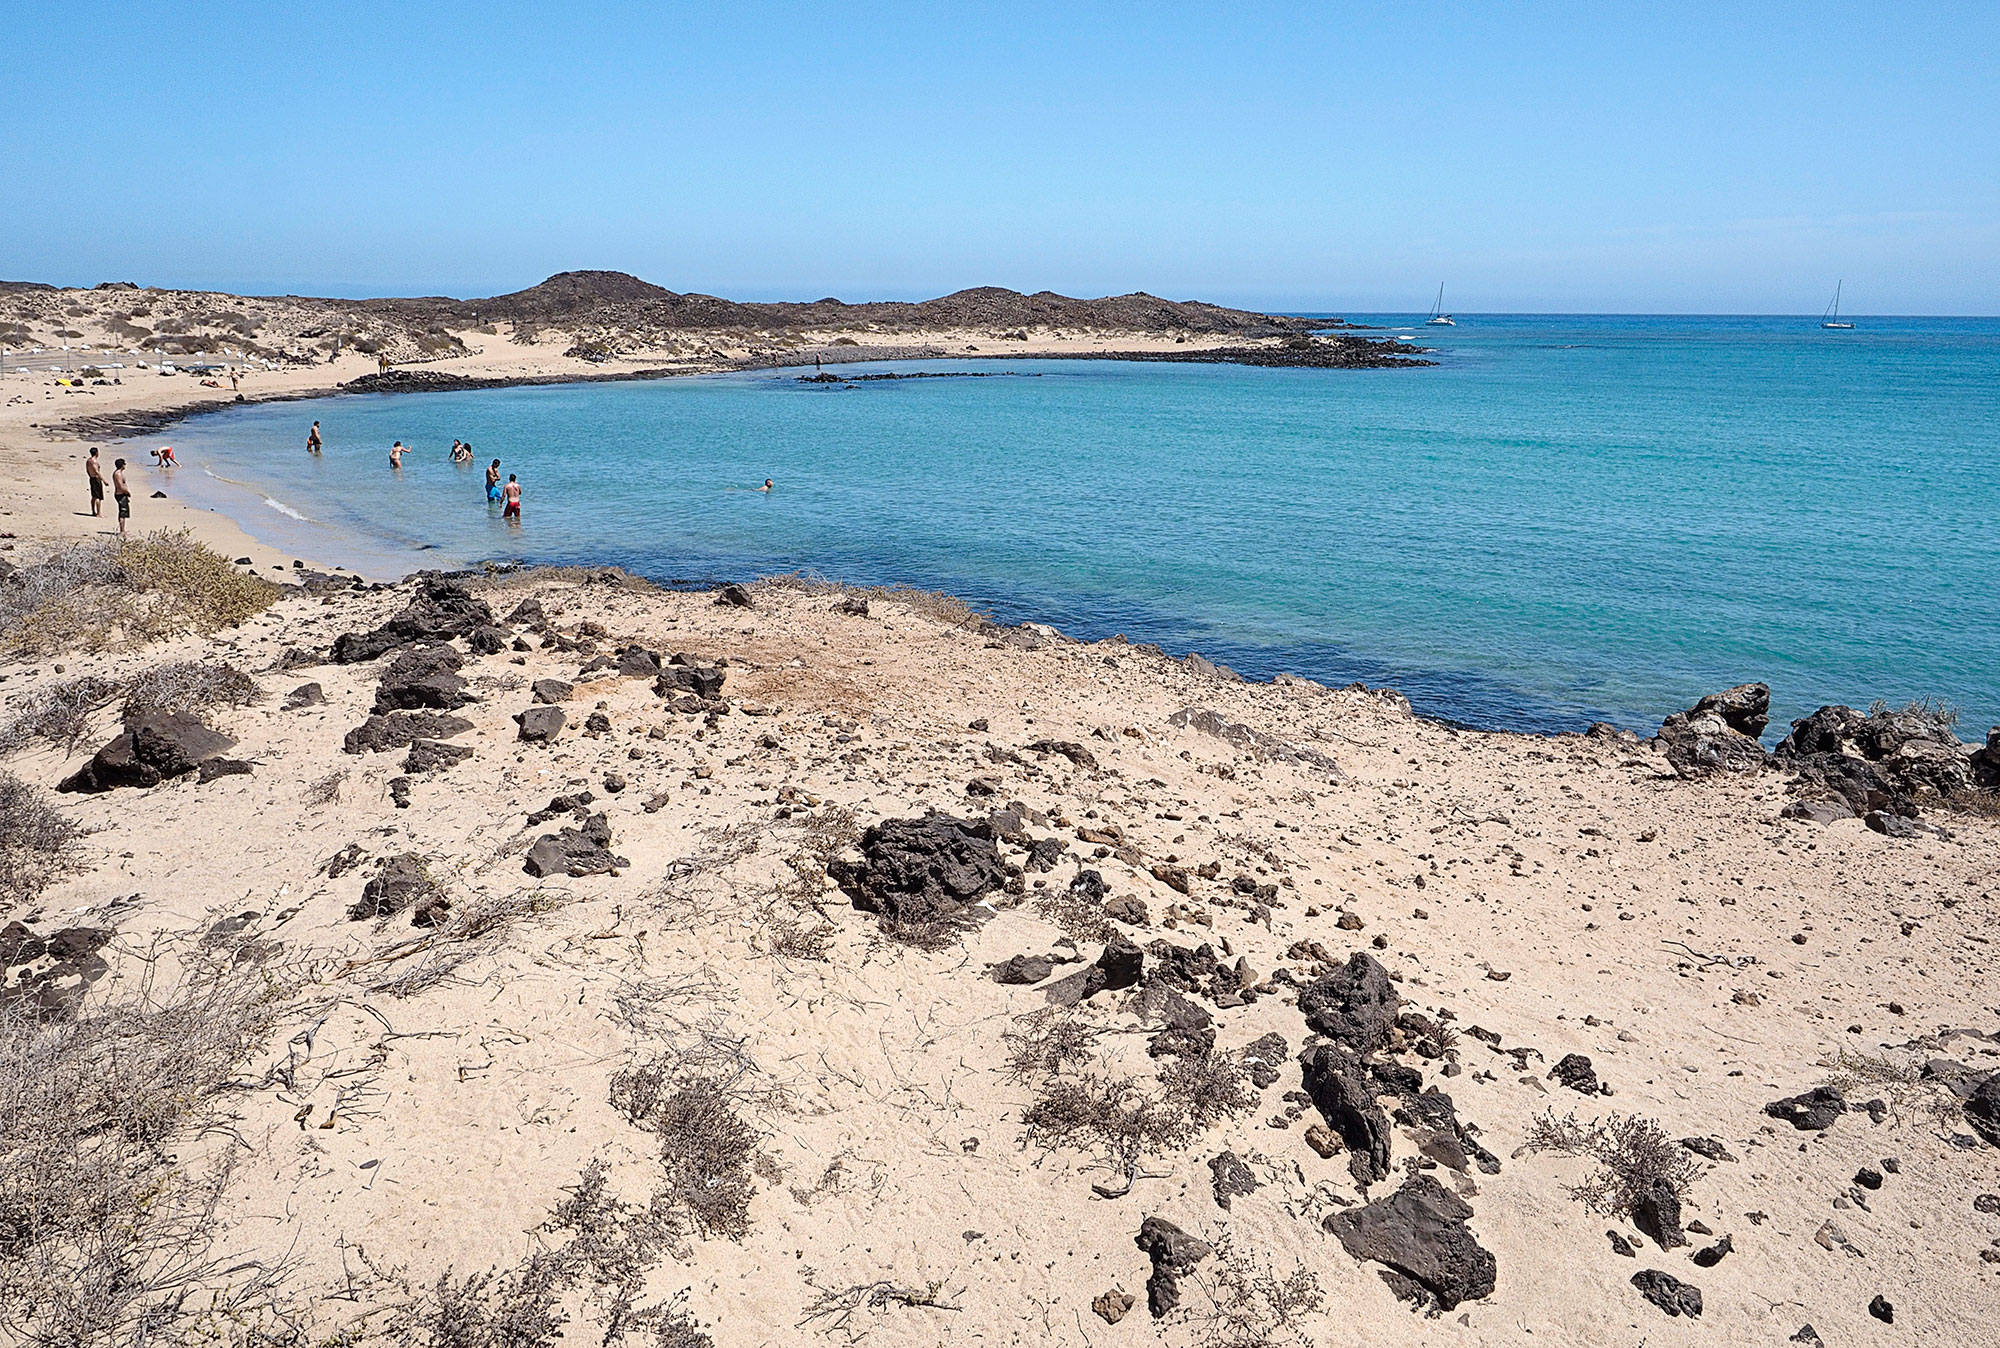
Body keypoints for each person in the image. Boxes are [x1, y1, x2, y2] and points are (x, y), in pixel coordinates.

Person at [112, 458, 131, 538]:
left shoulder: (118, 473)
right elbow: (120, 485)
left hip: (122, 494)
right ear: (122, 465)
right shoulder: (118, 474)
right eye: (124, 463)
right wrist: (127, 492)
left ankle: (123, 529)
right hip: (120, 494)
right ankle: (122, 530)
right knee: (122, 513)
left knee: (124, 512)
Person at [86, 447, 104, 516]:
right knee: (98, 497)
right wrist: (103, 480)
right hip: (96, 479)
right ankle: (99, 512)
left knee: (93, 496)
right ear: (96, 453)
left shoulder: (88, 461)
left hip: (91, 478)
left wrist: (90, 475)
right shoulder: (94, 461)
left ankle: (93, 511)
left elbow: (87, 470)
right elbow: (97, 471)